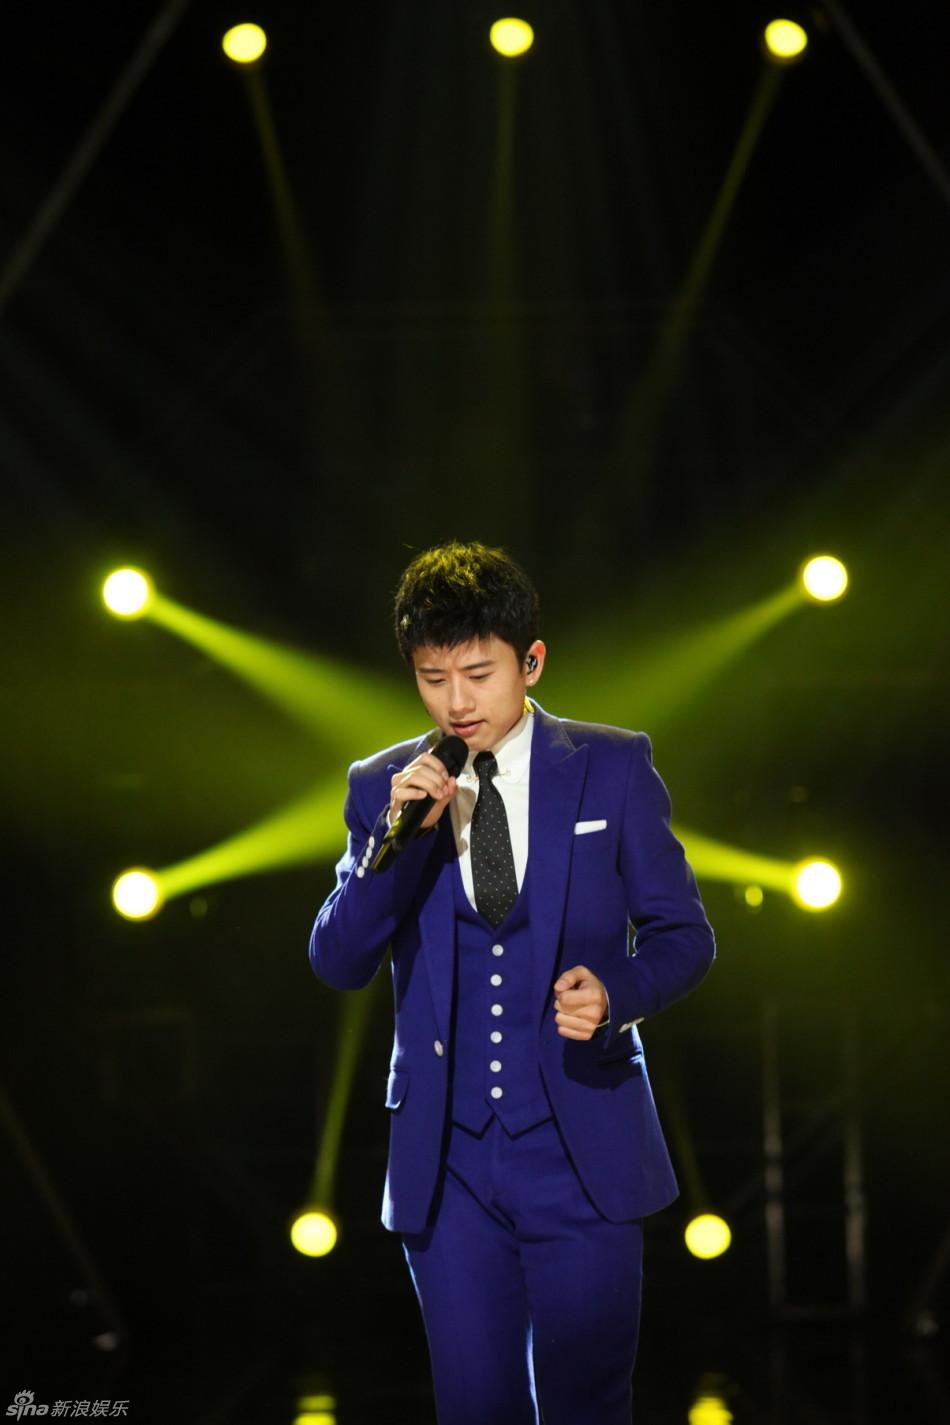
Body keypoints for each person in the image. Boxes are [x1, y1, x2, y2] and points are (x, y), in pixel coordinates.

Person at [309, 540, 715, 1425]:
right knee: (475, 1405)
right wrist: (394, 846)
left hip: (582, 1144)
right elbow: (337, 959)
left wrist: (618, 993)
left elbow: (686, 936)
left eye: (478, 674)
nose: (456, 701)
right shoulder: (382, 786)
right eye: (433, 678)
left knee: (586, 1402)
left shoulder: (611, 764)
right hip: (447, 1160)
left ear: (531, 662)